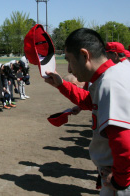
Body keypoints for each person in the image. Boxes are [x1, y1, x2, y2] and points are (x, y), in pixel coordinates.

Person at [44, 28, 130, 194]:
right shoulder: (116, 71)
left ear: (85, 55)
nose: (69, 69)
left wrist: (120, 181)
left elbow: (125, 143)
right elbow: (89, 101)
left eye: (69, 60)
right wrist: (61, 85)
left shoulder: (110, 83)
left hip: (120, 179)